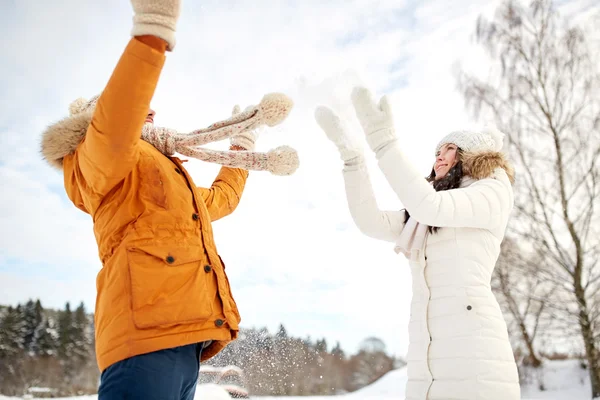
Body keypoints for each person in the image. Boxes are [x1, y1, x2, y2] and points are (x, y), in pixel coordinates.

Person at [39, 1, 296, 398]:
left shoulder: (166, 170)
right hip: (144, 337)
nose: (153, 110)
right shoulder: (99, 156)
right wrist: (152, 33)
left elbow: (222, 200)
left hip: (188, 340)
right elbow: (117, 118)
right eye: (141, 109)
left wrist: (242, 145)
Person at [315, 87, 520, 400]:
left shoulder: (490, 191)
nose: (439, 155)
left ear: (471, 156)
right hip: (428, 355)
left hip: (475, 355)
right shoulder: (425, 216)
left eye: (451, 148)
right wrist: (353, 159)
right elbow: (370, 222)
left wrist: (383, 140)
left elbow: (428, 205)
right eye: (438, 149)